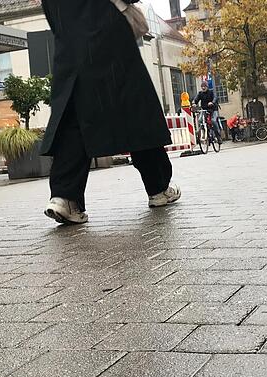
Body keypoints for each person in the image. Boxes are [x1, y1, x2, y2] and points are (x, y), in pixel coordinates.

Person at [41, 0, 180, 225]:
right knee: (136, 112)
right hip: (109, 36)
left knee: (74, 119)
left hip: (70, 45)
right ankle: (159, 187)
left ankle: (65, 197)